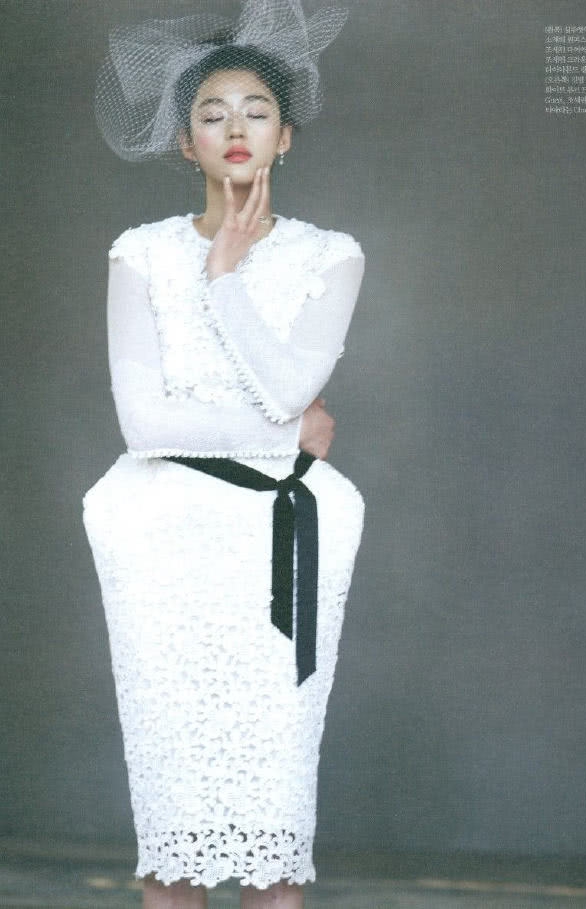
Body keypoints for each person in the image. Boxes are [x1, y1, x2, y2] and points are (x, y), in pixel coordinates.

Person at [82, 4, 364, 907]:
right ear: (184, 142)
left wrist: (226, 280)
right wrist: (288, 434)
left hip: (282, 533)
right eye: (212, 113)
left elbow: (288, 383)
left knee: (274, 823)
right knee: (172, 824)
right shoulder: (140, 253)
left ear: (285, 137)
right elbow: (143, 424)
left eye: (256, 111)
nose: (235, 126)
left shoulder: (331, 256)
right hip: (160, 533)